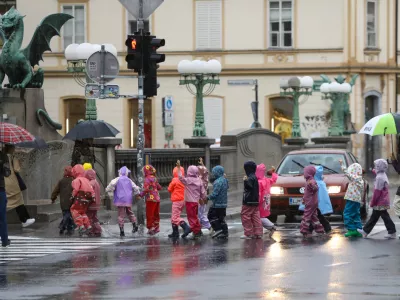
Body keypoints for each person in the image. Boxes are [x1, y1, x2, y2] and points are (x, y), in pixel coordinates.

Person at [358, 159, 396, 239]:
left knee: (376, 217)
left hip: (380, 201)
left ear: (379, 167)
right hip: (383, 200)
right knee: (383, 216)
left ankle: (365, 231)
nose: (375, 167)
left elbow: (377, 193)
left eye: (376, 166)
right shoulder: (382, 175)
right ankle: (392, 231)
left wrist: (372, 202)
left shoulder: (379, 178)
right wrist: (375, 171)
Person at [4, 144, 35, 228]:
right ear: (11, 148)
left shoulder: (2, 156)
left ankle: (25, 219)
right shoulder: (12, 157)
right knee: (19, 201)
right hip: (12, 183)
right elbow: (17, 169)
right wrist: (19, 162)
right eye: (13, 147)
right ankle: (24, 220)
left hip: (3, 183)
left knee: (5, 202)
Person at [106, 166, 140, 237]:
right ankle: (134, 225)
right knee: (129, 212)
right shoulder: (129, 180)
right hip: (128, 199)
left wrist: (109, 190)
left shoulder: (117, 179)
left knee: (121, 215)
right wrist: (137, 193)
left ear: (120, 173)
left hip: (120, 199)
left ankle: (122, 230)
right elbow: (135, 188)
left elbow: (111, 185)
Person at [177, 160, 206, 239]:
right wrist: (203, 198)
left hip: (189, 202)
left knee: (191, 218)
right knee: (195, 217)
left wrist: (179, 168)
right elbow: (203, 192)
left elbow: (180, 177)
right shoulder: (199, 180)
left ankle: (196, 232)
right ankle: (198, 230)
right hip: (196, 203)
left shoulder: (187, 180)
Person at [299, 166, 325, 238]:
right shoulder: (308, 181)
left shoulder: (311, 181)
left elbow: (316, 188)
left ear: (309, 173)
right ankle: (320, 229)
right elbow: (307, 193)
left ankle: (304, 230)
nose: (304, 174)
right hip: (310, 202)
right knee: (313, 216)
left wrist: (312, 185)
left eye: (305, 172)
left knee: (306, 216)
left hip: (311, 202)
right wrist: (304, 199)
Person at [340, 160, 364, 237]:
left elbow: (347, 173)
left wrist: (342, 165)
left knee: (347, 213)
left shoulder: (354, 178)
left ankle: (351, 229)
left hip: (351, 199)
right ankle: (358, 229)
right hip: (357, 200)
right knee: (356, 214)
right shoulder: (360, 179)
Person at [70, 164, 95, 236]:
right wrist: (93, 196)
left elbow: (76, 189)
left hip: (80, 199)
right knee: (82, 212)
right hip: (87, 199)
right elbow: (91, 189)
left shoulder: (76, 180)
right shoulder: (86, 180)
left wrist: (72, 196)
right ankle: (88, 225)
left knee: (74, 210)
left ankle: (80, 225)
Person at [167, 165, 191, 239]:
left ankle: (186, 227)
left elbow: (169, 189)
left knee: (175, 217)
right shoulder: (184, 179)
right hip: (183, 200)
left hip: (176, 200)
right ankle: (175, 232)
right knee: (174, 216)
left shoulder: (174, 180)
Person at [241, 161, 263, 239]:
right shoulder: (255, 177)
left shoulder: (250, 177)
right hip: (255, 200)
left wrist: (245, 180)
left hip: (248, 201)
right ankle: (258, 232)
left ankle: (248, 233)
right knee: (255, 216)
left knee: (245, 216)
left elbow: (248, 187)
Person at [51, 166, 75, 235]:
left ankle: (67, 228)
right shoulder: (74, 181)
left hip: (63, 202)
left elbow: (56, 191)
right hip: (72, 201)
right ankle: (66, 227)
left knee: (66, 214)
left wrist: (53, 198)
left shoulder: (61, 181)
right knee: (69, 215)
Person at [207, 165, 229, 239]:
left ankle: (218, 229)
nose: (213, 174)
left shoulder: (217, 181)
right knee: (221, 218)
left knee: (211, 216)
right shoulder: (225, 180)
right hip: (224, 203)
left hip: (217, 204)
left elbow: (215, 193)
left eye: (214, 173)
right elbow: (227, 187)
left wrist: (208, 197)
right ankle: (225, 232)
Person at [256, 163, 278, 238]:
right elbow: (273, 179)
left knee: (258, 217)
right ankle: (266, 228)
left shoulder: (259, 182)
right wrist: (273, 173)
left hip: (260, 202)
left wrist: (256, 202)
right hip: (266, 201)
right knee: (260, 216)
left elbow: (258, 194)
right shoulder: (266, 180)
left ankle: (271, 226)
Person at [139, 165, 162, 236]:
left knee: (149, 214)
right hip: (157, 198)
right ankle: (156, 227)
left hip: (150, 199)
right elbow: (159, 187)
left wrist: (140, 195)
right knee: (156, 213)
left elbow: (146, 189)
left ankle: (150, 227)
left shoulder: (147, 179)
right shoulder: (154, 178)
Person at [314, 165, 333, 233]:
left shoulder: (317, 183)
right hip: (315, 203)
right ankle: (324, 227)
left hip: (315, 203)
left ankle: (325, 227)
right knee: (315, 215)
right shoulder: (318, 182)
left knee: (316, 215)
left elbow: (321, 195)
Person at [85, 169, 102, 237]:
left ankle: (91, 231)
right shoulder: (96, 182)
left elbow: (89, 192)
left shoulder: (91, 183)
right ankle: (97, 230)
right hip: (96, 204)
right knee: (94, 217)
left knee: (89, 217)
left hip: (91, 204)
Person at [197, 158, 211, 231]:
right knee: (201, 213)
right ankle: (199, 228)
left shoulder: (199, 181)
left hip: (200, 199)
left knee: (200, 215)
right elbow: (206, 171)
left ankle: (209, 227)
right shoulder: (205, 179)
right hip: (204, 199)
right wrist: (202, 164)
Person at [0, 150, 10, 247]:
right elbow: (7, 173)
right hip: (0, 190)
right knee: (2, 217)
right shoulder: (3, 156)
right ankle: (4, 240)